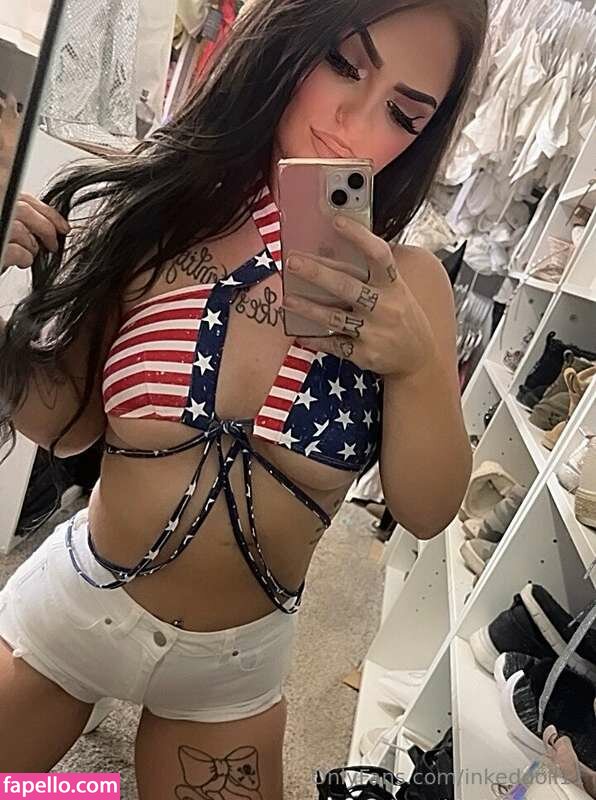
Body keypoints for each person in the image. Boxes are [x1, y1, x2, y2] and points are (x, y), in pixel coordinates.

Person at [0, 0, 486, 795]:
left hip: (232, 668)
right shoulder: (164, 213)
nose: (356, 123)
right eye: (343, 64)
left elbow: (427, 511)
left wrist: (416, 364)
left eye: (404, 113)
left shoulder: (412, 289)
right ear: (286, 45)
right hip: (81, 605)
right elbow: (64, 426)